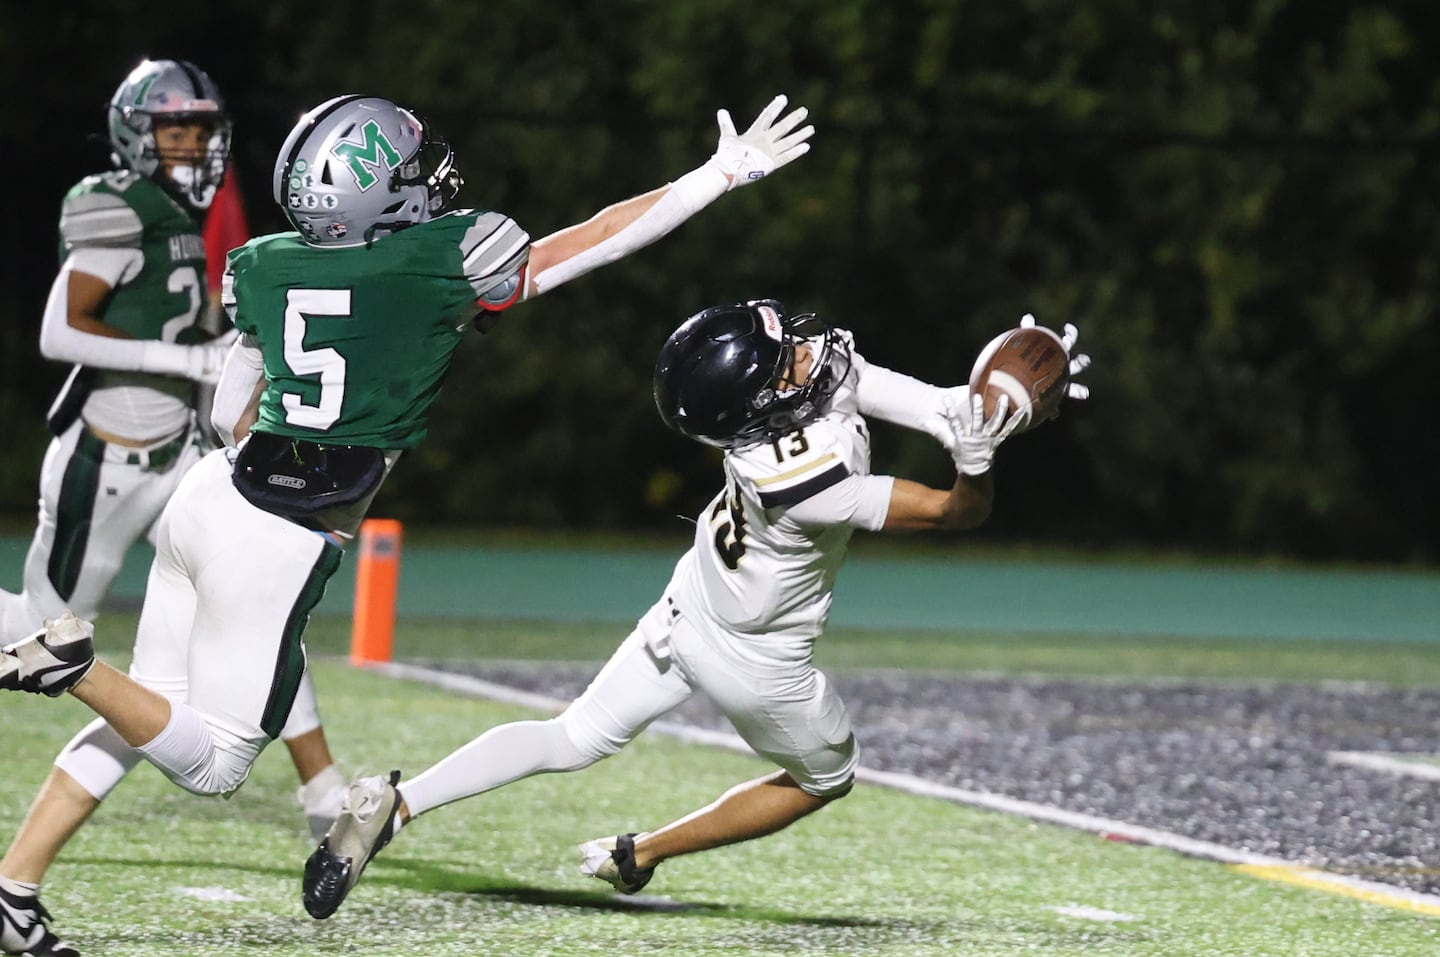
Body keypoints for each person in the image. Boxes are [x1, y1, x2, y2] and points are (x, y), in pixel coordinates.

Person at [0, 91, 814, 954]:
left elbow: (231, 402)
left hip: (209, 496)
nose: (431, 175)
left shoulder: (265, 261)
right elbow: (591, 243)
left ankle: (12, 891)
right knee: (214, 763)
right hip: (277, 534)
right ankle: (73, 662)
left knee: (148, 715)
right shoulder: (440, 258)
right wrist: (718, 175)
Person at [298, 300, 1091, 918]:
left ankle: (394, 804)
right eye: (782, 363)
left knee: (572, 734)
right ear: (762, 409)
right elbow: (959, 514)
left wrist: (983, 407)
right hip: (760, 660)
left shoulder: (770, 417)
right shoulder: (811, 479)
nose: (804, 355)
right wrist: (978, 463)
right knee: (827, 777)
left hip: (692, 601)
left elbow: (919, 399)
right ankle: (642, 851)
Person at [0, 58, 348, 957]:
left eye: (201, 127)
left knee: (185, 669)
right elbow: (58, 331)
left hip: (178, 462)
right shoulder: (115, 206)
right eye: (173, 128)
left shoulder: (184, 211)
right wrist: (189, 361)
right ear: (135, 133)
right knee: (39, 633)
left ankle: (321, 787)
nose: (191, 143)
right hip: (104, 460)